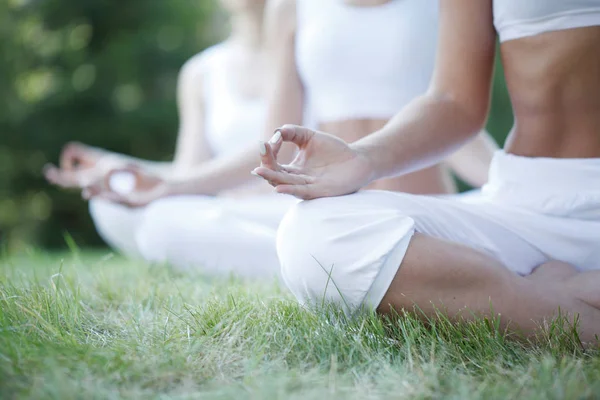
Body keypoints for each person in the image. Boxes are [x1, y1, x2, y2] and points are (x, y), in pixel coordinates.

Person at [46, 0, 496, 277]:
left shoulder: (447, 4)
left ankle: (344, 269)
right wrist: (171, 185)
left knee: (318, 241)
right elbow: (272, 145)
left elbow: (455, 119)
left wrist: (509, 187)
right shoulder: (291, 7)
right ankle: (341, 269)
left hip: (416, 211)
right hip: (328, 214)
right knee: (164, 224)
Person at [254, 0, 600, 344]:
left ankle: (546, 301)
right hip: (528, 206)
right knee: (313, 237)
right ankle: (561, 298)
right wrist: (362, 158)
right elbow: (454, 102)